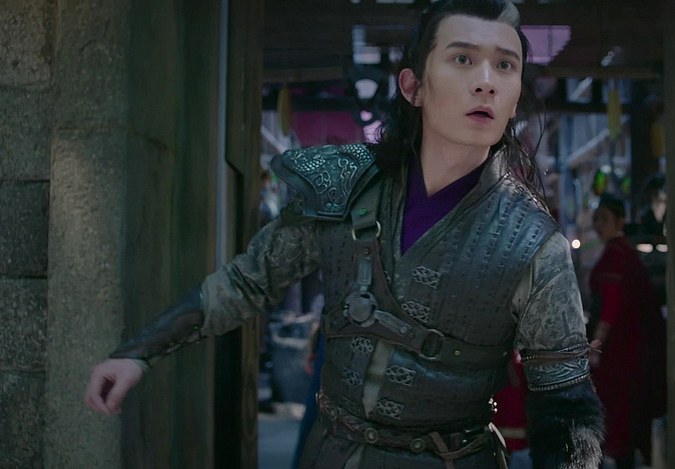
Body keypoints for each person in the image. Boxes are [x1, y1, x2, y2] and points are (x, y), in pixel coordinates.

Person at [84, 1, 604, 467]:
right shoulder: (344, 187)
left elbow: (565, 405)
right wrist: (138, 352)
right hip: (331, 452)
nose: (486, 81)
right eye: (463, 58)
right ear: (413, 86)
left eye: (505, 65)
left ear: (514, 99)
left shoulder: (534, 244)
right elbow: (247, 282)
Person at [588, 193, 666, 469]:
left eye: (604, 219)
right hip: (630, 354)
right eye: (597, 219)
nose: (599, 225)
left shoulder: (616, 257)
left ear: (620, 221)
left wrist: (595, 348)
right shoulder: (624, 254)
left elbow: (609, 309)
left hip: (619, 356)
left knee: (618, 419)